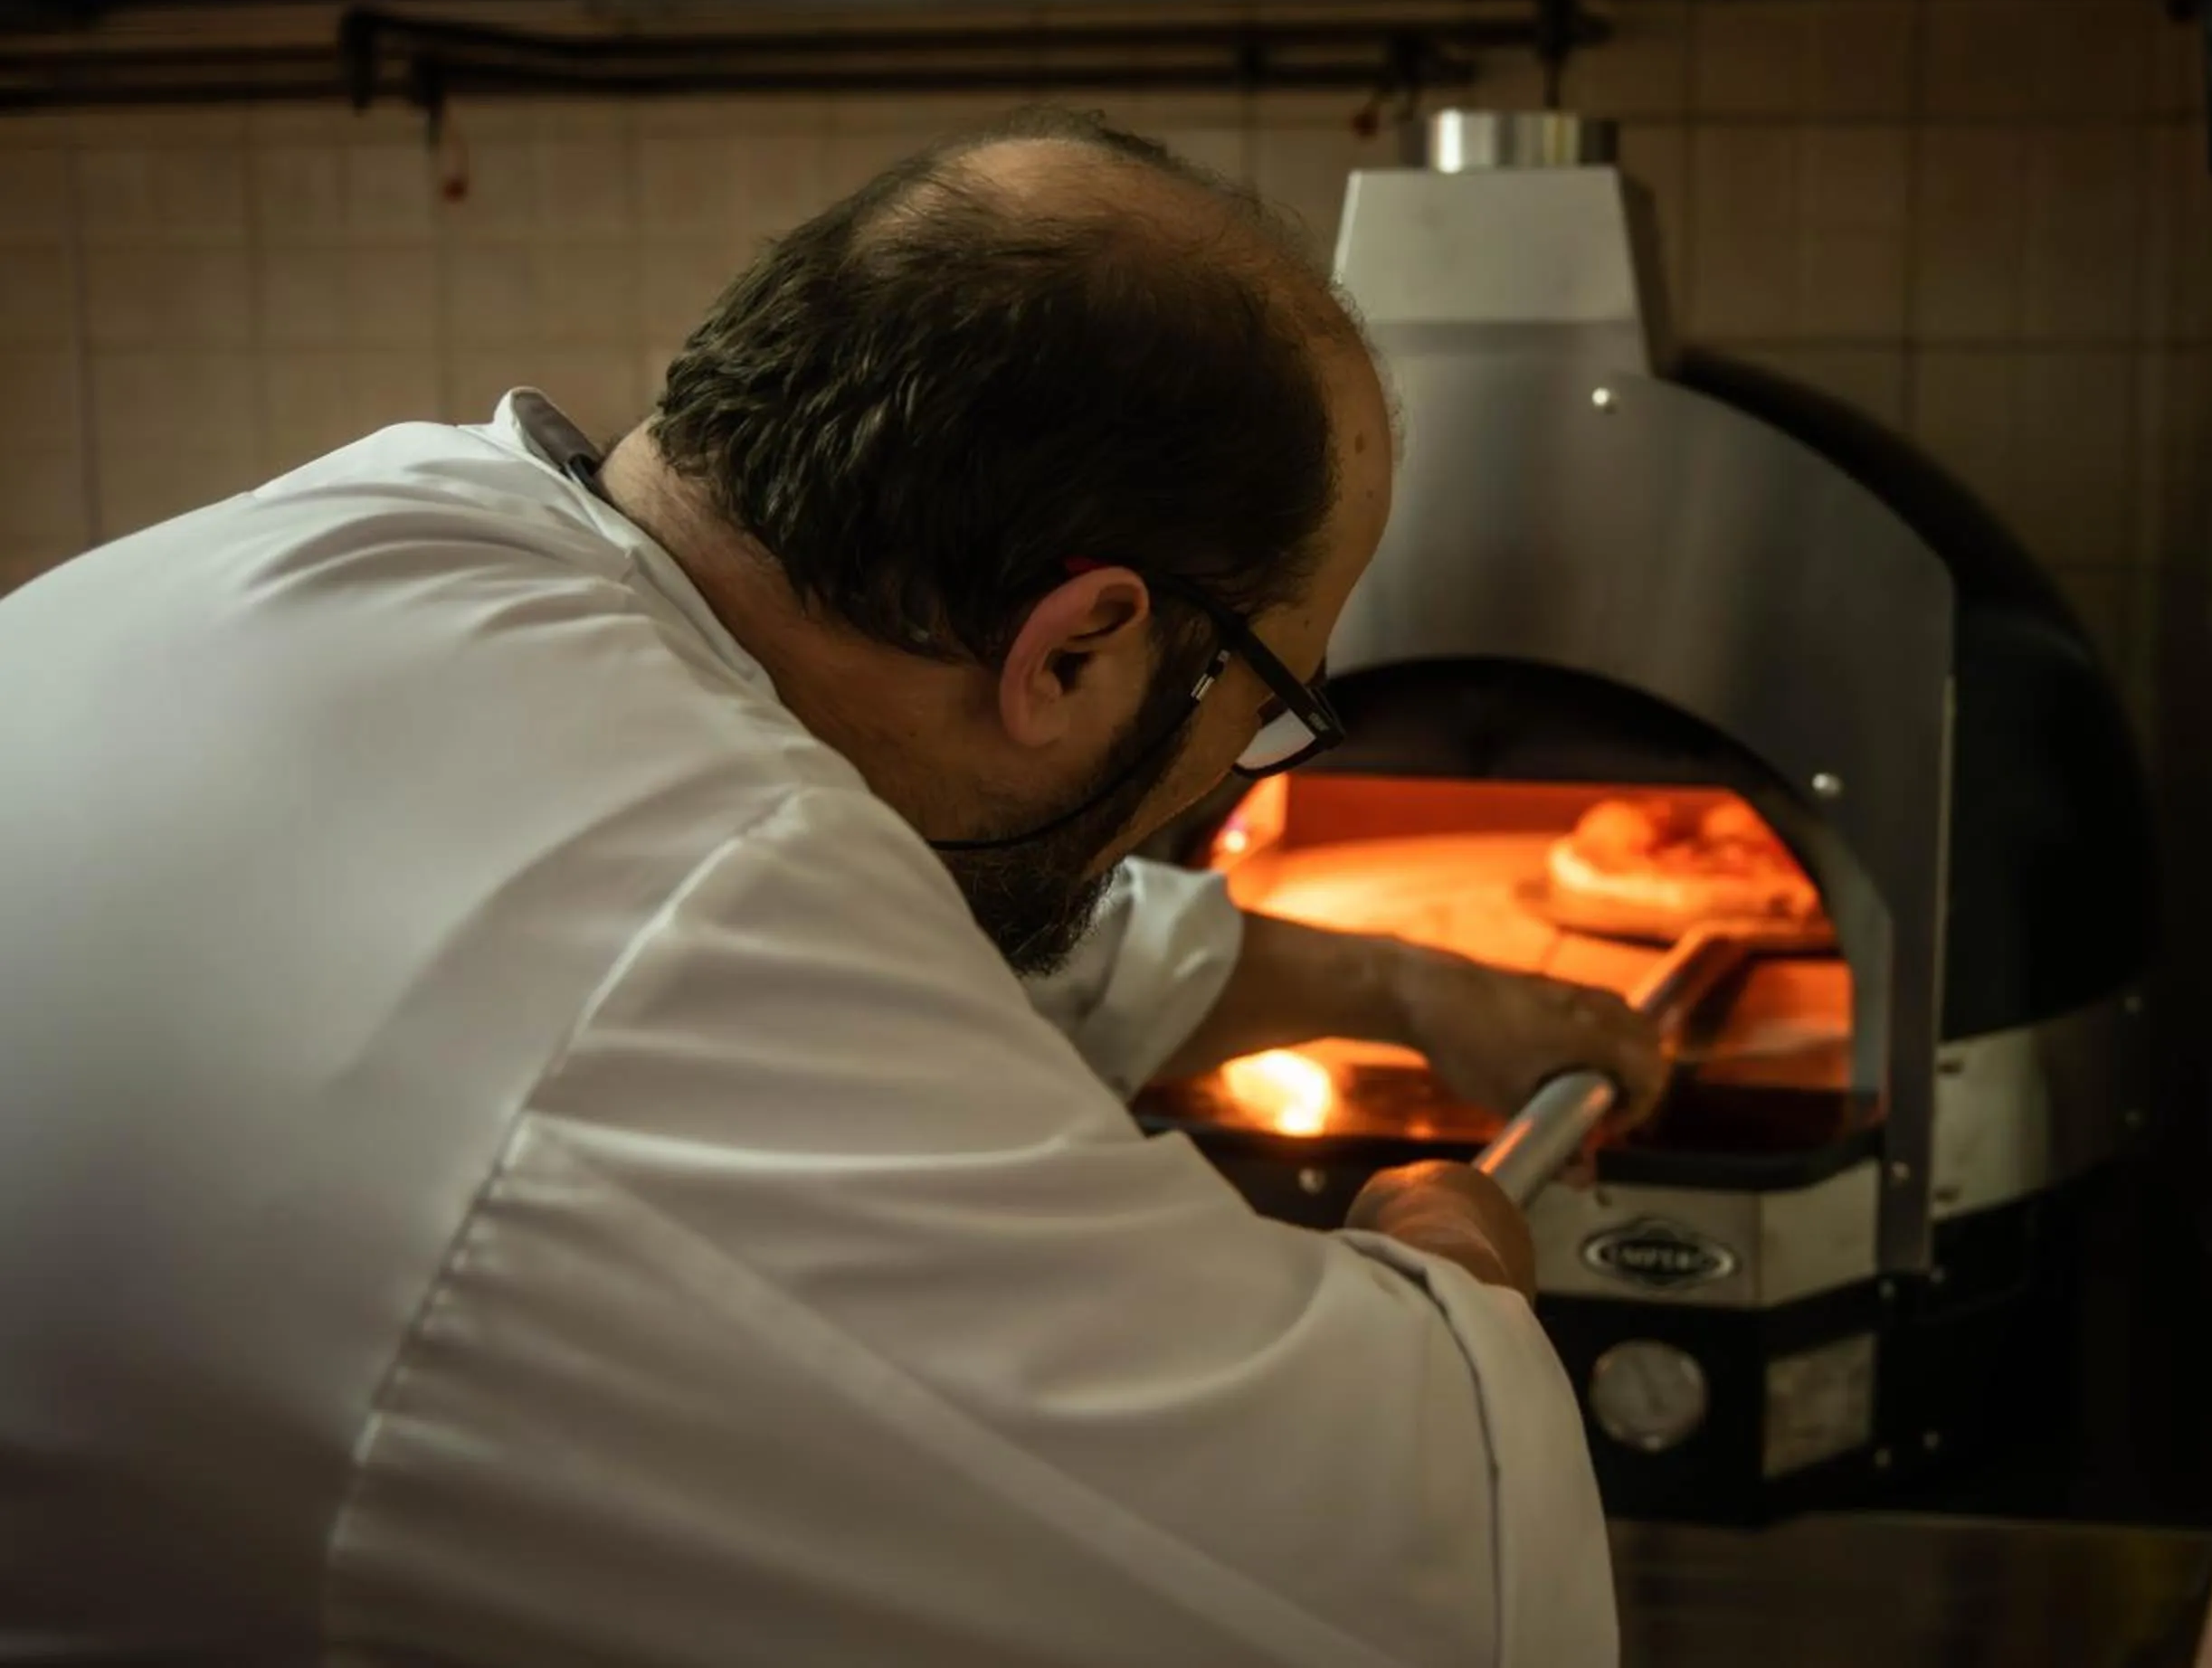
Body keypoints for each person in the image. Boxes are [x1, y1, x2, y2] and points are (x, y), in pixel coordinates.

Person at [0, 111, 1667, 1664]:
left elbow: (874, 910)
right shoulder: (704, 920)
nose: (1235, 760)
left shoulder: (403, 540)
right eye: (1263, 705)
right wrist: (1452, 1275)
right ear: (1082, 645)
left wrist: (1403, 987)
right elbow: (1372, 1566)